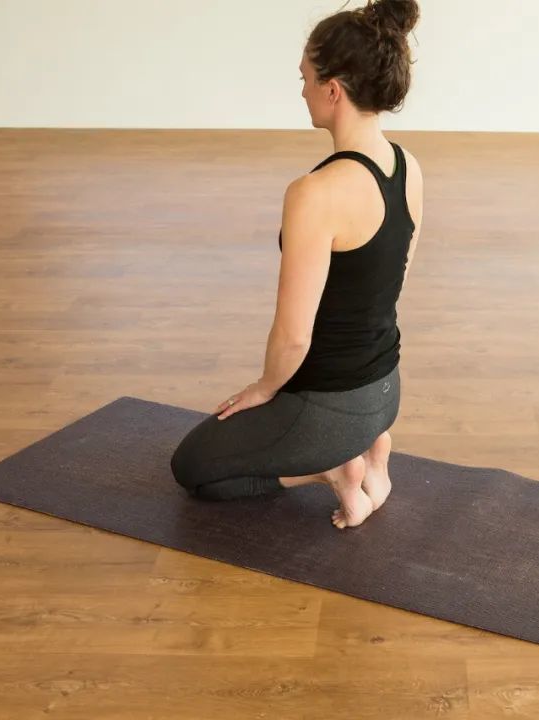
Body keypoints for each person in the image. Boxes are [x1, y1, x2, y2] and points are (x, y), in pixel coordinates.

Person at [170, 0, 424, 530]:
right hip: (385, 391)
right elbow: (388, 288)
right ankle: (371, 454)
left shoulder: (315, 193)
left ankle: (333, 467)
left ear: (333, 90)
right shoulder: (407, 167)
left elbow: (293, 338)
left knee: (193, 469)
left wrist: (264, 388)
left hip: (332, 410)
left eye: (305, 78)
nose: (302, 90)